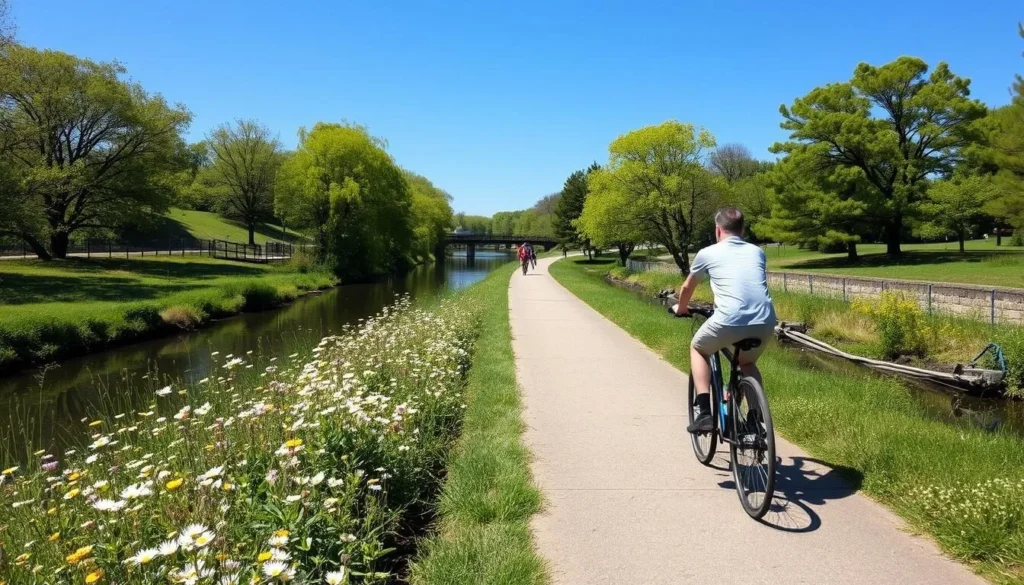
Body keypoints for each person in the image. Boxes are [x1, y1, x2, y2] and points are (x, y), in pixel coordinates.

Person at [674, 208, 776, 433]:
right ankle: (754, 417)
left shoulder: (707, 253)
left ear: (718, 230)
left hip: (730, 317)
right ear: (743, 229)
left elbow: (688, 286)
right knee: (747, 363)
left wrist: (681, 308)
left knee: (698, 348)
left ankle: (705, 414)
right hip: (766, 319)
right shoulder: (757, 252)